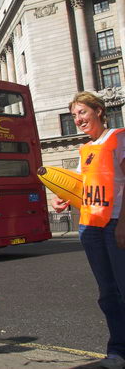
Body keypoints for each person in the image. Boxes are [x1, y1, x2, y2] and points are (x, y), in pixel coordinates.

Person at [51, 91, 125, 369]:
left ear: (98, 111)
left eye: (82, 112)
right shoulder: (85, 149)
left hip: (115, 223)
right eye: (74, 115)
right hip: (89, 226)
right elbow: (82, 189)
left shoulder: (118, 137)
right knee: (107, 293)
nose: (78, 119)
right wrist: (64, 200)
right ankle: (117, 350)